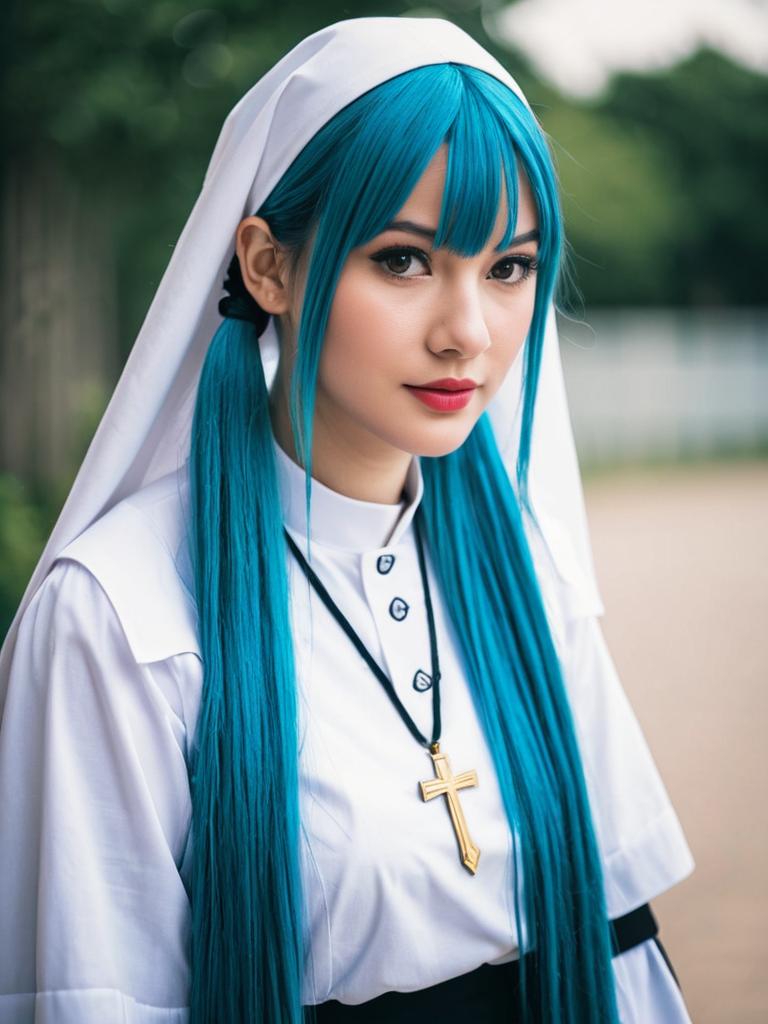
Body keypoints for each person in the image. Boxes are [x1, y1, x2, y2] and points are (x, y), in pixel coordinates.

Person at [0, 16, 695, 1024]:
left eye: (508, 268)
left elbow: (622, 948)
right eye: (406, 261)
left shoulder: (528, 584)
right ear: (269, 266)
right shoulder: (122, 618)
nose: (468, 332)